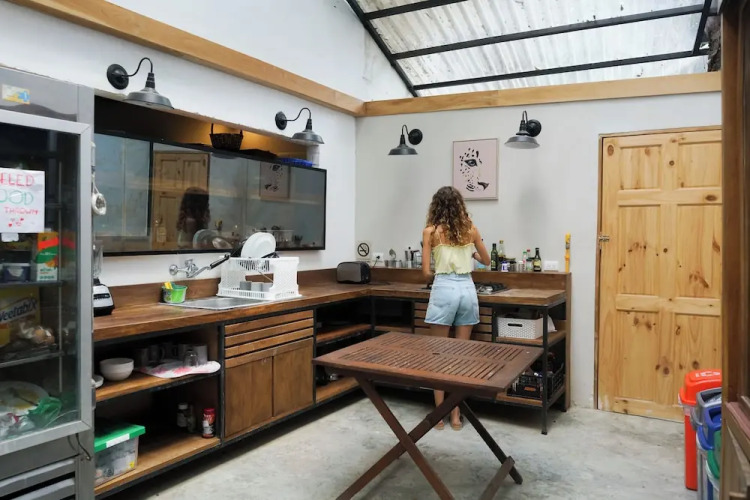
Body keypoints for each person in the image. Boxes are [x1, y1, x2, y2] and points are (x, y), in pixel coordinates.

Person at [422, 186, 491, 430]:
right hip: (467, 290)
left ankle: (439, 416)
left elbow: (426, 272)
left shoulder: (430, 232)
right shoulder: (471, 230)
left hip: (444, 288)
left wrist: (440, 267)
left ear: (436, 206)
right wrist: (471, 255)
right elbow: (487, 261)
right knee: (461, 356)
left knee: (439, 354)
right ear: (460, 205)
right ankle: (456, 416)